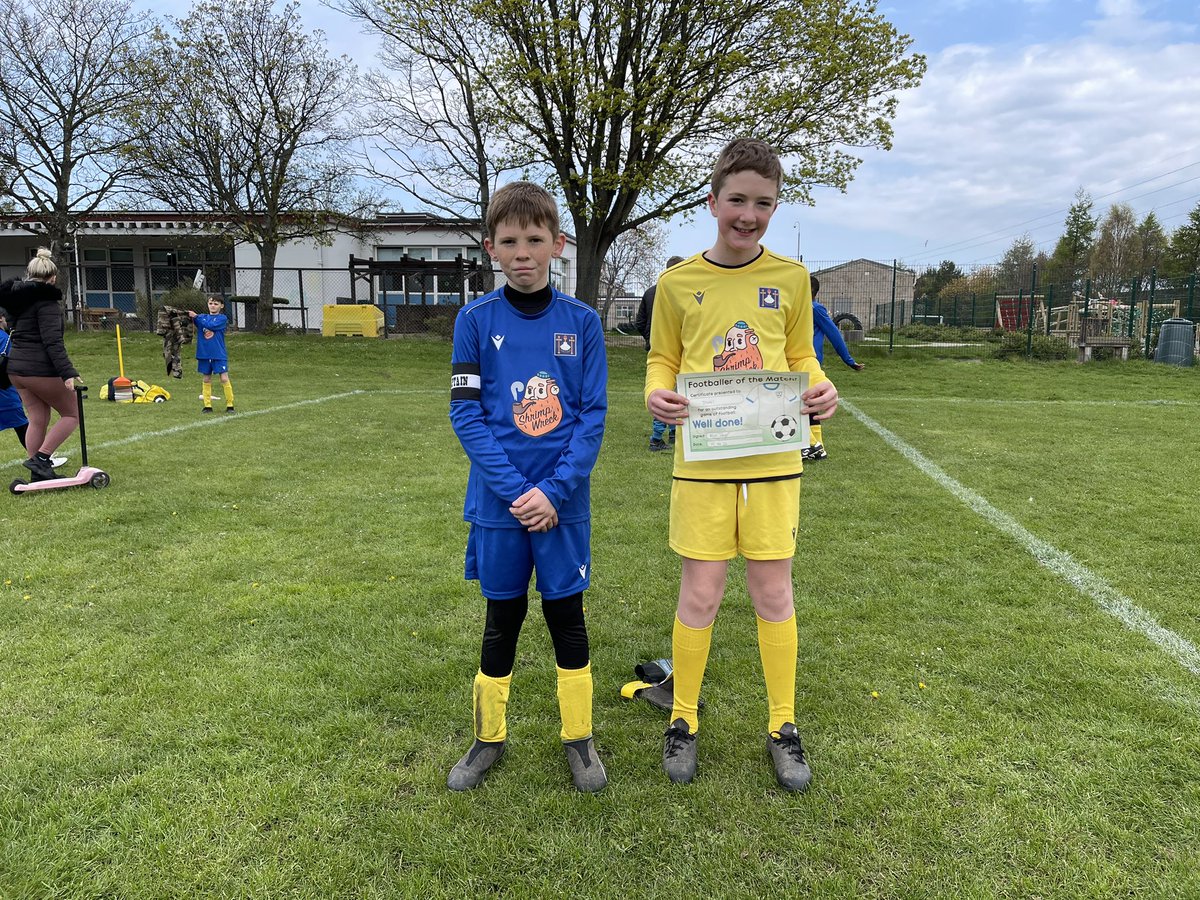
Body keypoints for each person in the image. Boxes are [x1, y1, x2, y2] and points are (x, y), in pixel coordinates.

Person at [644, 138, 839, 792]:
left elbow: (803, 356)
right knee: (700, 593)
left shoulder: (789, 279)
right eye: (737, 200)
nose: (748, 214)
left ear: (774, 205)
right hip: (703, 462)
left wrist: (820, 387)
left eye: (763, 202)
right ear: (713, 201)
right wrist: (655, 393)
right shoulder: (677, 283)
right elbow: (661, 361)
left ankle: (783, 726)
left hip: (775, 461)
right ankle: (682, 719)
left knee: (773, 592)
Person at [447, 181, 609, 792]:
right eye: (509, 241)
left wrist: (555, 491)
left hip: (563, 508)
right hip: (500, 505)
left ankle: (580, 739)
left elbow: (591, 415)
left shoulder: (583, 323)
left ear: (556, 245)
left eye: (534, 240)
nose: (522, 252)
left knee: (568, 618)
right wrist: (519, 492)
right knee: (502, 619)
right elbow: (465, 413)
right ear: (491, 248)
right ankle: (488, 739)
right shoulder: (473, 320)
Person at [0, 249, 82, 482]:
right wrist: (68, 372)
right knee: (72, 414)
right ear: (53, 277)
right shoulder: (47, 304)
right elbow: (52, 342)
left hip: (15, 369)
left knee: (38, 418)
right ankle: (41, 459)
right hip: (38, 369)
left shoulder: (13, 302)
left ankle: (38, 471)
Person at [805, 274, 865, 462]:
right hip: (801, 363)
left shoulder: (814, 308)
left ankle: (811, 445)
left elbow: (834, 334)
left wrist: (848, 359)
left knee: (798, 403)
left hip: (808, 364)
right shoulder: (797, 309)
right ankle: (817, 446)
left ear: (810, 291)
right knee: (808, 404)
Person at [635, 255, 685, 451]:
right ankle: (657, 437)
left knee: (669, 393)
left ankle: (672, 433)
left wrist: (650, 339)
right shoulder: (679, 292)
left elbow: (640, 322)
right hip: (675, 353)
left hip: (657, 350)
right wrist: (656, 338)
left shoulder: (649, 292)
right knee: (668, 393)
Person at [188, 295, 234, 413]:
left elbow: (211, 326)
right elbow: (191, 321)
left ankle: (230, 405)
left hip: (218, 353)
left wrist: (196, 317)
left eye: (216, 304)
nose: (213, 306)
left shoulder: (222, 318)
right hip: (204, 354)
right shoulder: (202, 317)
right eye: (211, 303)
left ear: (221, 306)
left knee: (224, 378)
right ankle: (207, 406)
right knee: (206, 379)